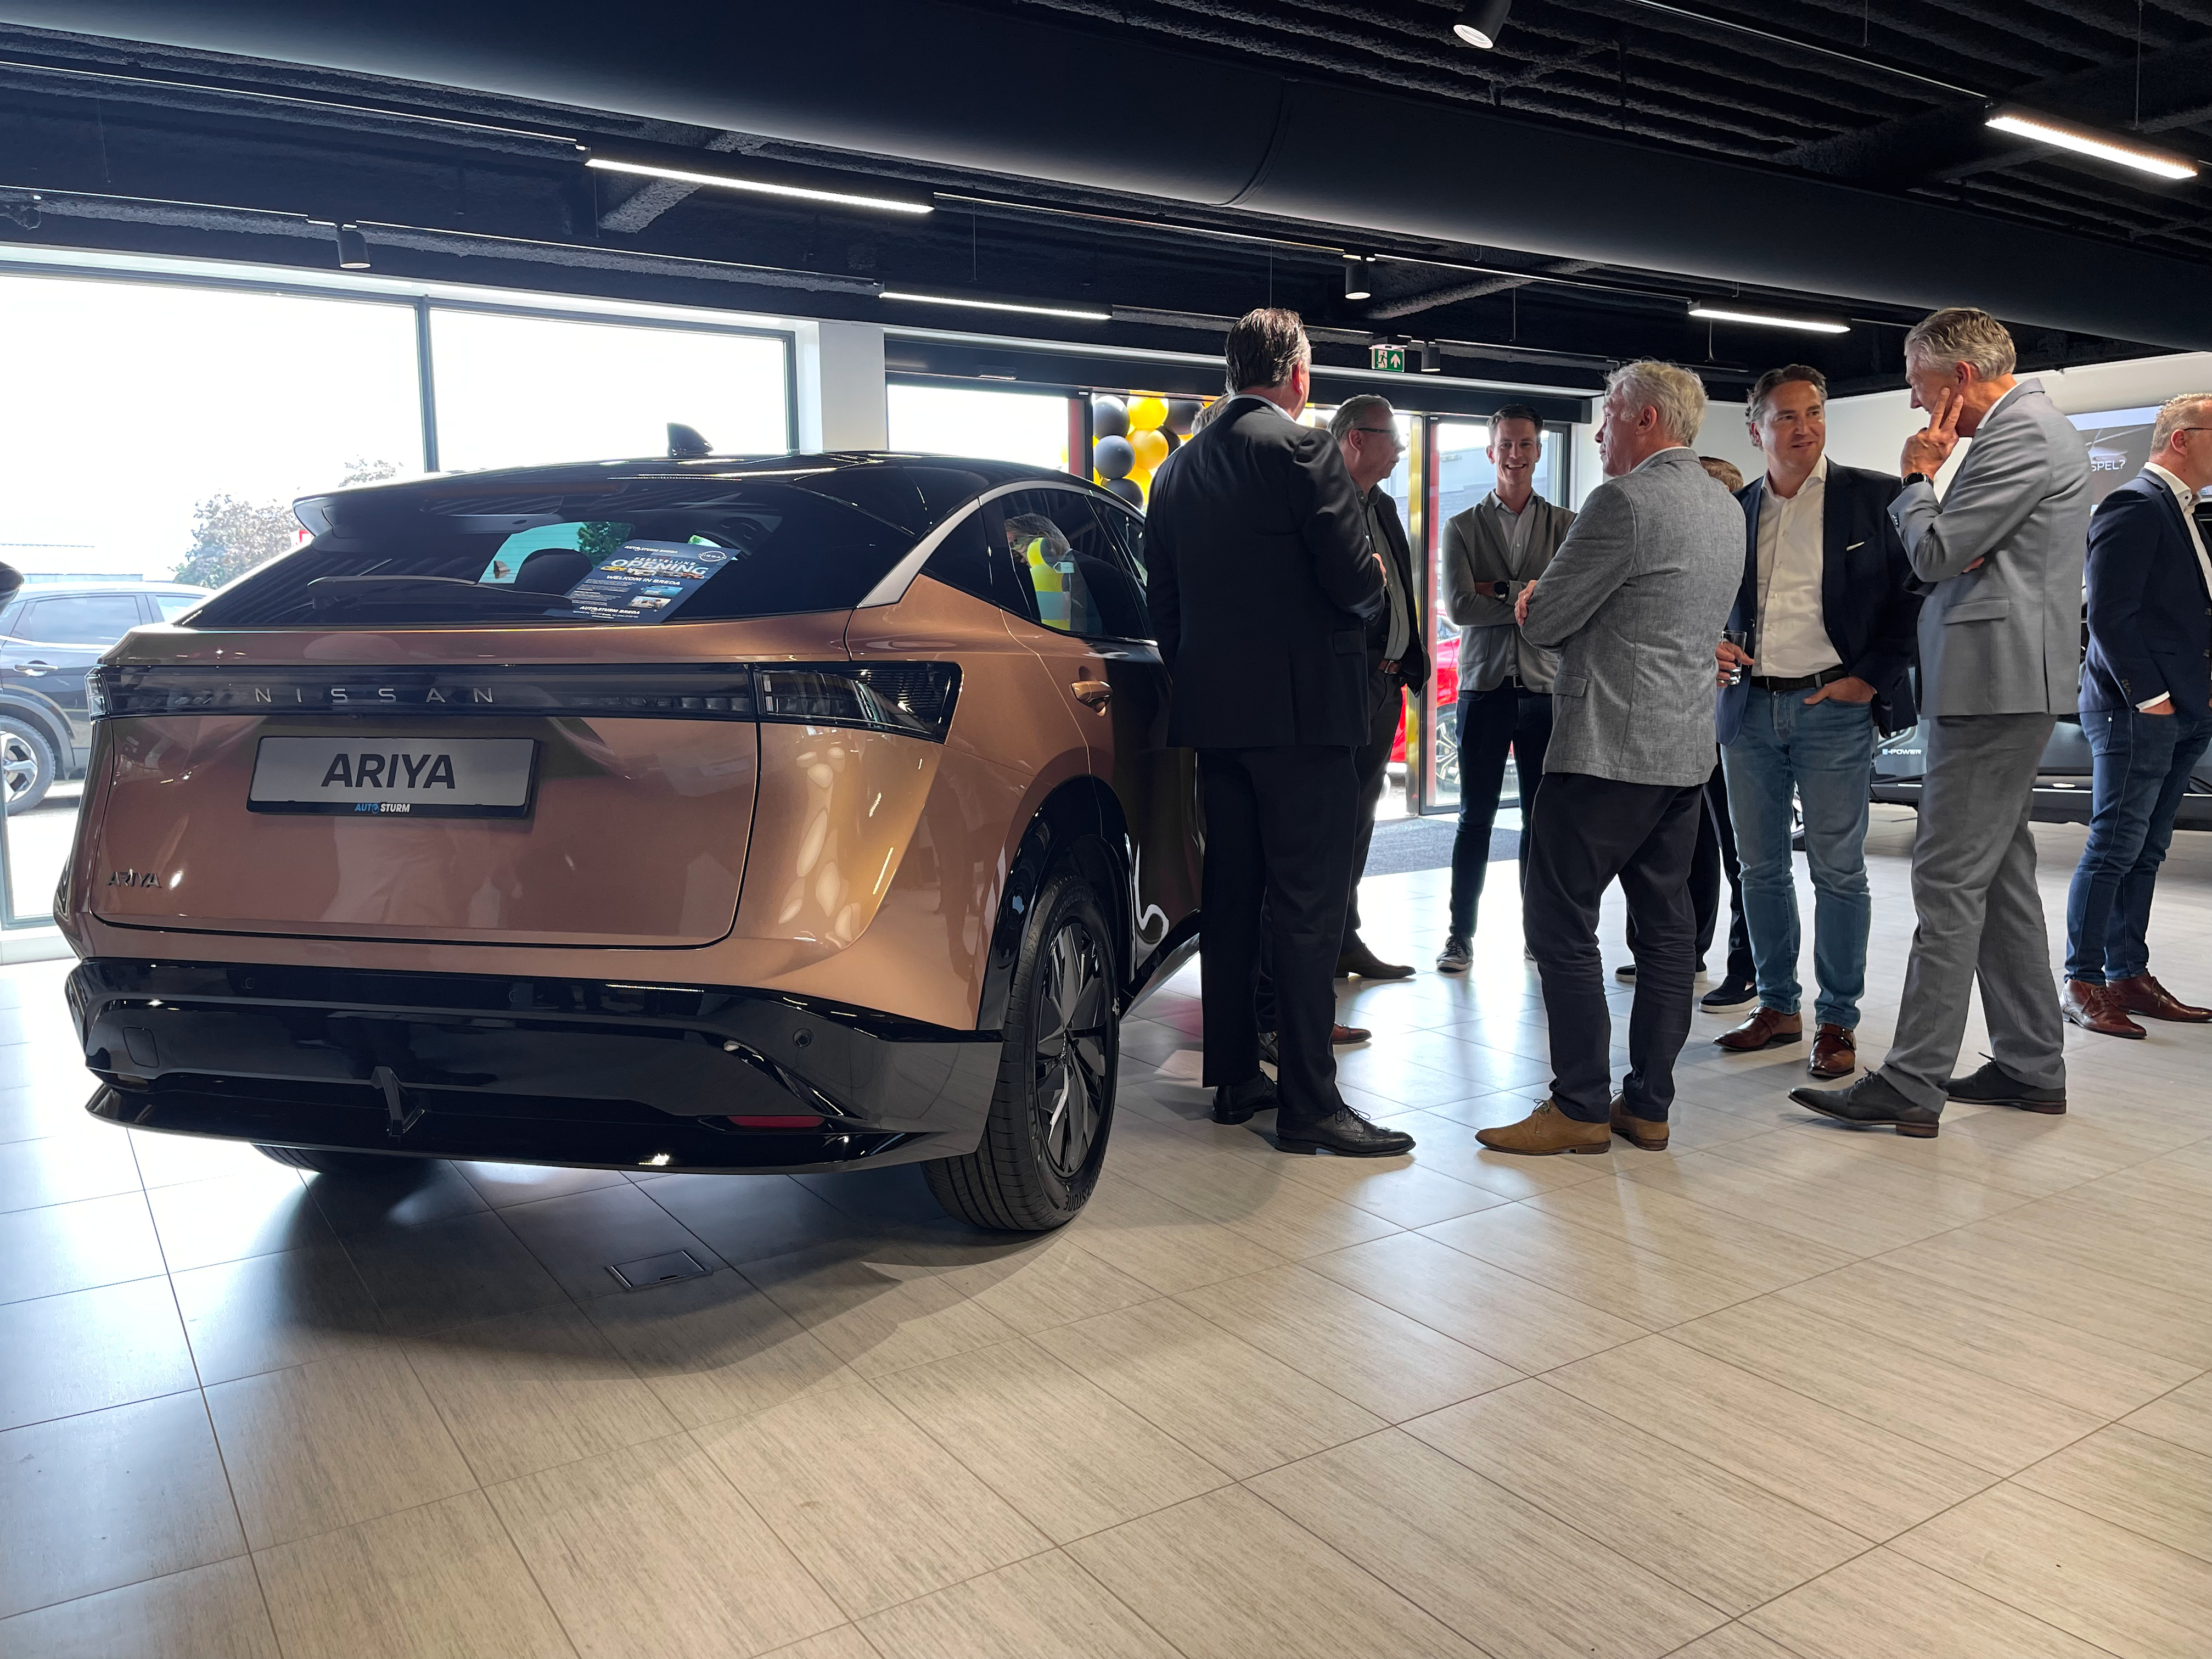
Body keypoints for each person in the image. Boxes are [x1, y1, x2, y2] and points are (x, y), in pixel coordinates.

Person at [1793, 309, 2090, 1136]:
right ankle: (2031, 1065)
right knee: (1999, 879)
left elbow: (1933, 554)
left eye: (1917, 380)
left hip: (1993, 684)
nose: (1912, 399)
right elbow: (1957, 554)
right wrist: (1952, 539)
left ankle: (1912, 1079)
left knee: (1946, 879)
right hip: (1995, 678)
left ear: (1959, 376)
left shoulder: (2020, 435)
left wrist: (1916, 477)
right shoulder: (2020, 433)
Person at [1146, 307, 1414, 1157]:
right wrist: (1373, 573)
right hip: (1304, 722)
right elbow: (1354, 586)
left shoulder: (1175, 470)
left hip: (1215, 721)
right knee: (1306, 907)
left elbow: (1164, 608)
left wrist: (1207, 676)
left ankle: (1234, 1080)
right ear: (1297, 376)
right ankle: (1309, 1104)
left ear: (1233, 372)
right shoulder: (1303, 451)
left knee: (1232, 899)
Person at [1476, 362, 1742, 1156]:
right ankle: (1647, 1105)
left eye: (1609, 416)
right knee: (1665, 931)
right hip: (1683, 750)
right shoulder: (1723, 504)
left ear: (1646, 420)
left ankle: (1580, 1105)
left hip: (1603, 750)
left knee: (1559, 920)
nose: (1597, 433)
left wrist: (1533, 600)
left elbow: (1547, 620)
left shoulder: (1621, 502)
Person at [1713, 366, 1922, 1081]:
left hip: (1832, 707)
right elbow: (1707, 599)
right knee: (1759, 868)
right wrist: (1711, 642)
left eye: (1813, 413)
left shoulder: (1874, 497)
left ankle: (1837, 1019)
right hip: (1747, 707)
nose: (1803, 427)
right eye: (1786, 416)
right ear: (1755, 430)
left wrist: (1871, 677)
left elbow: (1912, 596)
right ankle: (1777, 1005)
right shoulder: (1734, 509)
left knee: (1837, 870)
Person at [2061, 392, 2212, 1036]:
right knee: (2114, 846)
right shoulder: (2134, 503)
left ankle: (2128, 973)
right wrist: (2150, 697)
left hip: (2183, 709)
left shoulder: (2183, 510)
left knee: (2146, 849)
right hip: (2136, 710)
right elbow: (2107, 613)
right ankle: (2082, 980)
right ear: (2181, 439)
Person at [1435, 403, 1574, 972]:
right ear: (1490, 451)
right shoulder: (1461, 527)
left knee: (1540, 823)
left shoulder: (1567, 526)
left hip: (1545, 691)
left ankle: (1536, 934)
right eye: (1506, 445)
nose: (1515, 455)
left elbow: (1567, 604)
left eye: (1525, 444)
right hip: (1484, 690)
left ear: (1538, 450)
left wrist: (1497, 588)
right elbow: (1459, 607)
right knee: (1475, 818)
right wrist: (1526, 595)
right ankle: (1459, 936)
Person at [1618, 456, 1759, 1006]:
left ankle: (1745, 968)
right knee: (1690, 846)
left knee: (1739, 853)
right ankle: (1688, 950)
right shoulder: (1686, 566)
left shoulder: (1745, 561)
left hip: (1731, 720)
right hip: (1685, 720)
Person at [1330, 395, 1430, 981]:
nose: (1400, 450)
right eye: (1393, 438)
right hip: (1348, 682)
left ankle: (1346, 937)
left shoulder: (1384, 505)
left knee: (1362, 819)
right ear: (1357, 439)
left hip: (1388, 682)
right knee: (1333, 820)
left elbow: (1398, 588)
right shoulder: (1324, 502)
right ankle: (1325, 944)